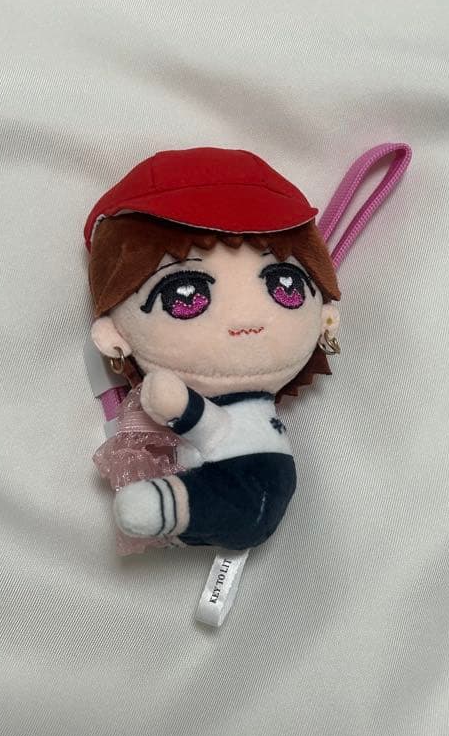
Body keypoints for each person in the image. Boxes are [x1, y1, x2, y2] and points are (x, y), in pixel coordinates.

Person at [85, 147, 341, 550]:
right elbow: (211, 427)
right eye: (185, 295)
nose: (245, 320)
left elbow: (209, 425)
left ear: (326, 317)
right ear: (114, 335)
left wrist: (178, 405)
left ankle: (173, 507)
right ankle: (178, 506)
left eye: (285, 286)